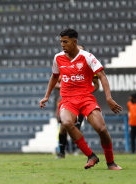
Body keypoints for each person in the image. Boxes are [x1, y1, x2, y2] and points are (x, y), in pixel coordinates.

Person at [40, 28, 122, 170]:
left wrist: (109, 98)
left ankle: (111, 162)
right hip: (67, 99)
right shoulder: (58, 58)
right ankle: (91, 156)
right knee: (66, 122)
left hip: (85, 98)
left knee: (101, 129)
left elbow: (102, 76)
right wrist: (46, 96)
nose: (62, 45)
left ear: (74, 42)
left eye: (65, 42)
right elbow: (54, 76)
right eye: (61, 42)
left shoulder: (88, 57)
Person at [55, 44, 100, 159]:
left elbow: (96, 84)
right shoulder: (66, 68)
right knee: (64, 127)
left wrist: (87, 92)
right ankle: (62, 152)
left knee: (76, 127)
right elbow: (56, 82)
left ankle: (78, 150)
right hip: (68, 101)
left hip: (82, 101)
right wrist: (66, 88)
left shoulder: (88, 68)